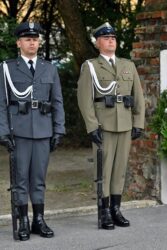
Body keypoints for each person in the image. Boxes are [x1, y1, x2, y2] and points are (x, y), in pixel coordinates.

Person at [0, 22, 65, 240]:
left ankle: (39, 220)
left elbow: (57, 102)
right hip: (18, 131)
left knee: (39, 178)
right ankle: (23, 222)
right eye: (27, 39)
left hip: (43, 131)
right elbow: (1, 102)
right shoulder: (7, 68)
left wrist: (58, 130)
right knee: (20, 180)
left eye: (35, 39)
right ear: (19, 43)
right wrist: (2, 131)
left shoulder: (49, 68)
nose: (32, 43)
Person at [77, 22, 145, 230]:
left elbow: (138, 96)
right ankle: (104, 211)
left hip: (124, 124)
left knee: (120, 170)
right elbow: (84, 98)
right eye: (106, 38)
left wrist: (138, 122)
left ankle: (116, 209)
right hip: (103, 125)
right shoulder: (91, 66)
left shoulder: (128, 65)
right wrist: (91, 126)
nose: (111, 41)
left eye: (113, 38)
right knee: (103, 171)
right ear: (98, 43)